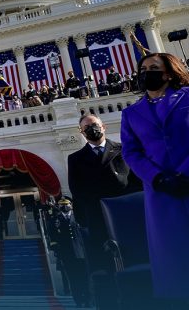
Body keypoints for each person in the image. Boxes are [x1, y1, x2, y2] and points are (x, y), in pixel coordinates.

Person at [120, 52, 189, 302]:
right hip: (161, 193)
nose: (147, 72)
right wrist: (157, 178)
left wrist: (184, 173)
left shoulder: (187, 97)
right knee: (172, 257)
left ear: (169, 72)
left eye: (153, 67)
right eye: (143, 69)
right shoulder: (131, 113)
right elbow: (131, 152)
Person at [67, 114, 142, 274]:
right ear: (82, 132)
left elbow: (137, 181)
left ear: (103, 126)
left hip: (127, 214)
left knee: (136, 261)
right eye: (86, 128)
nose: (91, 129)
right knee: (105, 265)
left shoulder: (123, 149)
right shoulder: (75, 159)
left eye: (93, 124)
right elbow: (77, 190)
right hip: (98, 217)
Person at [49, 198, 90, 308]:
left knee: (84, 276)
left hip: (80, 252)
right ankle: (78, 300)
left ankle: (87, 299)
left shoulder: (78, 217)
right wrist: (57, 251)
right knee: (73, 278)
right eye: (62, 205)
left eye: (66, 204)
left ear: (70, 205)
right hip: (67, 254)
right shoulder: (55, 220)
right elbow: (52, 237)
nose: (64, 206)